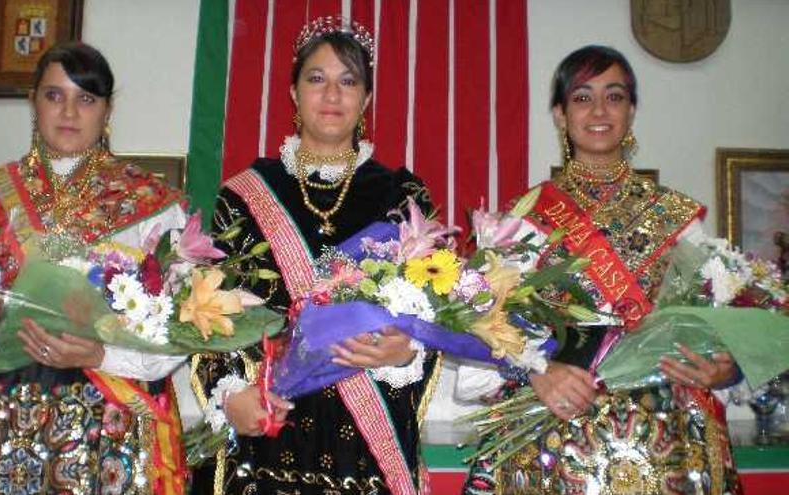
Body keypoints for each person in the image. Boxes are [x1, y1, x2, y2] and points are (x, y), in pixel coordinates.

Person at [458, 45, 742, 494]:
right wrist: (536, 372)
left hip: (663, 442)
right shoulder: (527, 216)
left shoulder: (679, 218)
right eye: (582, 97)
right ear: (559, 113)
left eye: (615, 96)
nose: (600, 110)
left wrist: (726, 369)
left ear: (632, 110)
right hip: (548, 434)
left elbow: (720, 326)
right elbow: (483, 324)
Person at [0, 42, 188, 494]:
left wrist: (100, 354)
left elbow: (182, 320)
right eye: (54, 95)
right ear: (33, 102)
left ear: (107, 110)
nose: (70, 112)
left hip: (105, 427)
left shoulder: (152, 207)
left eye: (86, 99)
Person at [190, 16, 437, 495]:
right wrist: (232, 395)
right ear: (293, 92)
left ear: (365, 99)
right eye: (317, 79)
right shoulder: (243, 195)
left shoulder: (402, 196)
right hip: (265, 430)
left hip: (370, 436)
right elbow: (203, 312)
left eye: (348, 82)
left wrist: (406, 350)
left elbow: (435, 312)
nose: (332, 95)